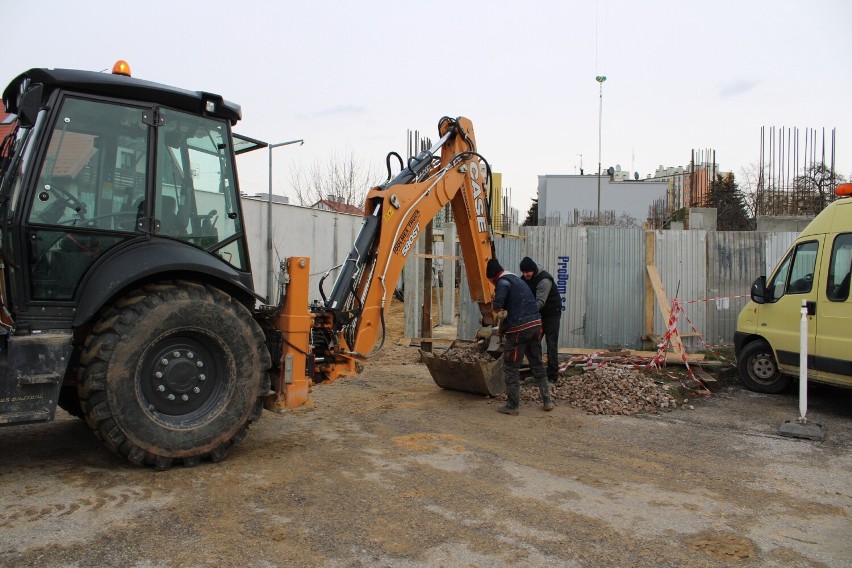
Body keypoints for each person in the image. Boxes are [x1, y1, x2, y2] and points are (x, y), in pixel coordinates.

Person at [486, 258, 554, 415]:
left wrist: (497, 309)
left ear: (492, 277)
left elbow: (499, 308)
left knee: (511, 367)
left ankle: (512, 406)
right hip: (536, 325)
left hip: (519, 329)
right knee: (536, 363)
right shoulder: (517, 279)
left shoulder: (502, 282)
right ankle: (547, 401)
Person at [519, 256, 563, 384]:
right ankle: (537, 374)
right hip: (538, 313)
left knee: (551, 343)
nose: (526, 274)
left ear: (533, 270)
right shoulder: (523, 279)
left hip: (551, 313)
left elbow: (540, 303)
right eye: (523, 272)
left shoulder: (544, 280)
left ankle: (552, 376)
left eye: (528, 272)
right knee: (533, 342)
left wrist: (524, 313)